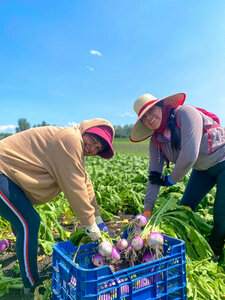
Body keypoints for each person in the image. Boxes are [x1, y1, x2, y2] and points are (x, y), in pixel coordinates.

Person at [0, 118, 114, 298]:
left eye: (98, 148)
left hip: (8, 177)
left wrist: (98, 219)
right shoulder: (70, 139)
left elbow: (85, 184)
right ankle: (31, 287)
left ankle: (24, 268)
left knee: (23, 221)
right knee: (28, 223)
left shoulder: (75, 147)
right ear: (86, 130)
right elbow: (75, 187)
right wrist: (90, 224)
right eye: (93, 139)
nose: (92, 147)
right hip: (2, 171)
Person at [129, 93, 225, 259]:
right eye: (145, 117)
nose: (150, 118)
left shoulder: (186, 113)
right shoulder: (156, 141)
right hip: (203, 170)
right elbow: (154, 176)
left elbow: (189, 156)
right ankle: (185, 248)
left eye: (152, 110)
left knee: (221, 214)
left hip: (223, 160)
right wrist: (147, 211)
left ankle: (214, 255)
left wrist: (170, 180)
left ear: (161, 106)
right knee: (184, 209)